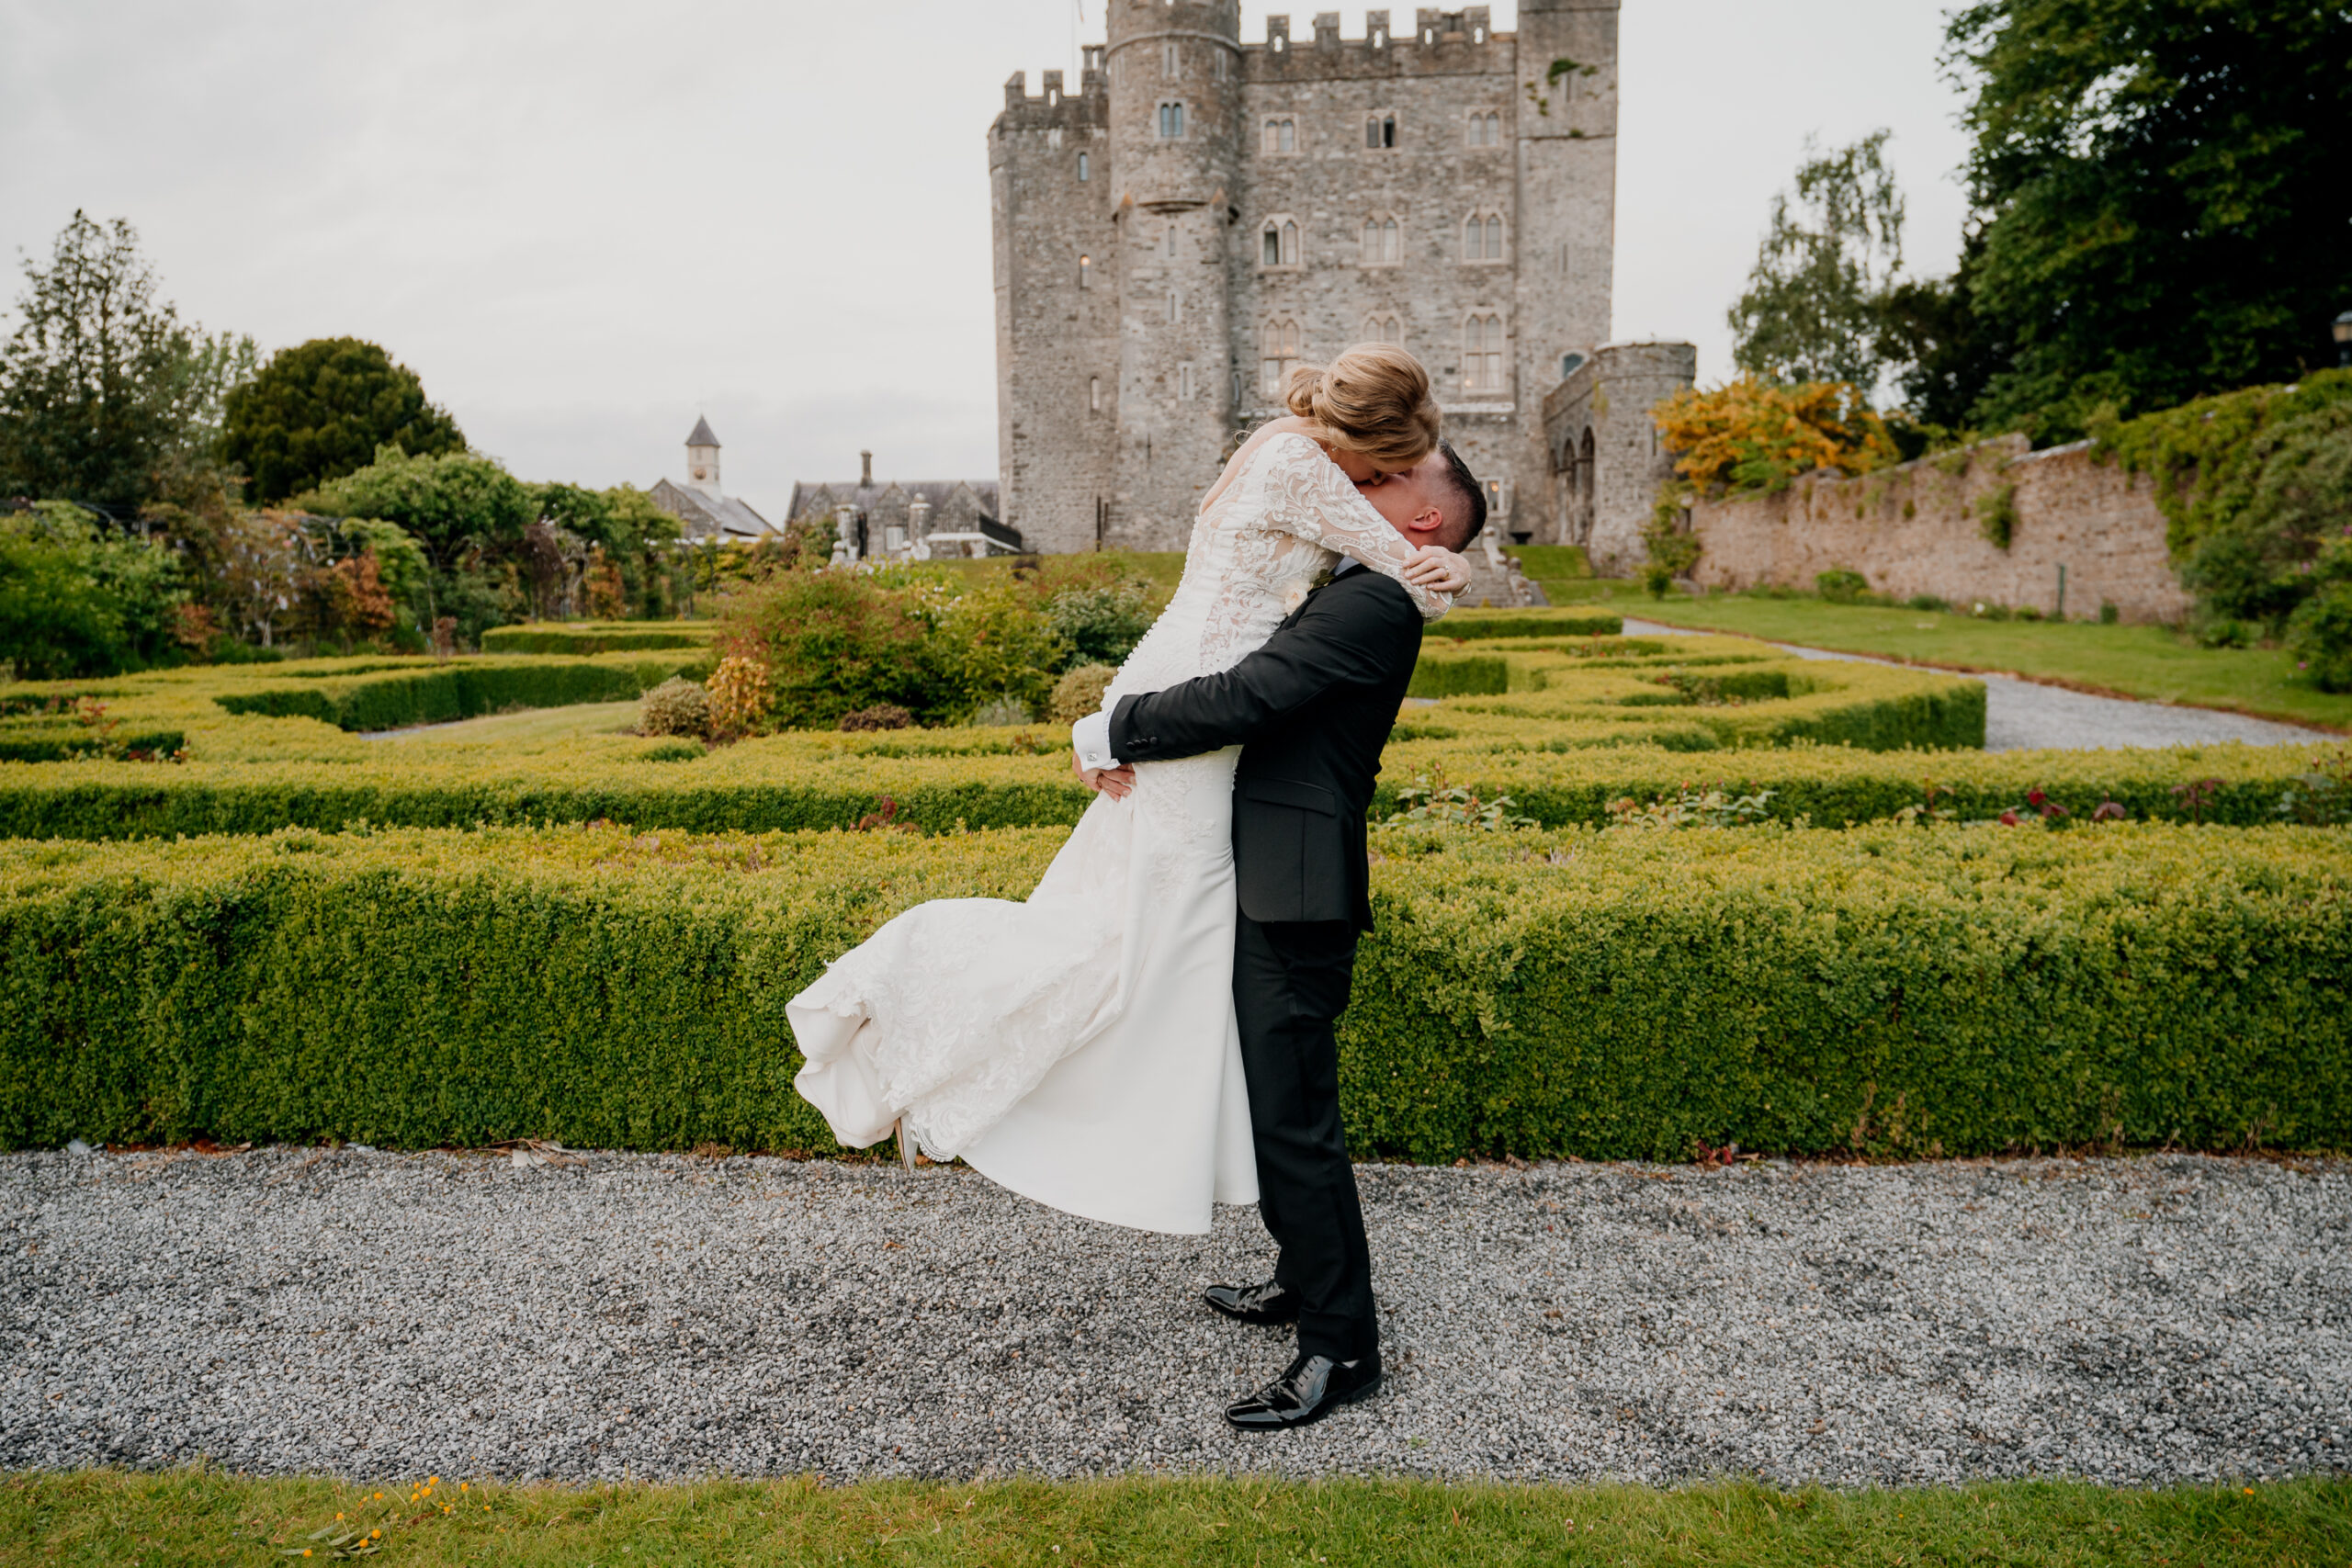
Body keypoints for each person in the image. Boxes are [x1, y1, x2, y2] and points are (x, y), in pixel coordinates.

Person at [787, 346, 1466, 1245]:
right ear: (1360, 443)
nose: (1377, 481)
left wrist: (1108, 721)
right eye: (1383, 466)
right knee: (1151, 940)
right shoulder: (1302, 465)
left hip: (1168, 668)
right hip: (1194, 689)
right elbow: (1412, 569)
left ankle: (1181, 1152)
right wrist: (1456, 570)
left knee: (1136, 920)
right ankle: (962, 1029)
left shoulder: (1277, 445)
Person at [1074, 440, 1487, 1431]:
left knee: (1296, 1123)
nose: (1357, 480)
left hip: (1294, 892)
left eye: (1385, 477)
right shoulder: (1364, 579)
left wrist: (1110, 726)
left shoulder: (1376, 600)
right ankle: (1303, 1282)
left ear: (1420, 519)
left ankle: (1342, 1345)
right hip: (1269, 874)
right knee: (1275, 1109)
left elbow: (1248, 697)